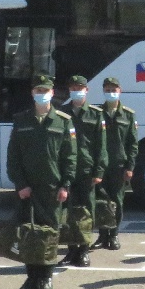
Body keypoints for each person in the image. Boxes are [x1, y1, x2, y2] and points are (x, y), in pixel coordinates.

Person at [7, 74, 77, 289]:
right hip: (27, 189)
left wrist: (65, 185)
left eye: (45, 91)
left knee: (49, 234)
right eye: (38, 90)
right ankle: (31, 277)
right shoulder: (21, 120)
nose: (41, 94)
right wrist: (20, 184)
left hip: (52, 189)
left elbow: (70, 157)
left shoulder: (63, 121)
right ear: (32, 93)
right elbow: (13, 157)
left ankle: (45, 277)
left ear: (52, 93)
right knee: (29, 234)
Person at [59, 75, 107, 267]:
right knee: (68, 211)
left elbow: (101, 146)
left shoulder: (95, 114)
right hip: (66, 170)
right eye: (73, 88)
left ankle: (84, 250)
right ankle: (72, 250)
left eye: (80, 88)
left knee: (86, 211)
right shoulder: (62, 113)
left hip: (87, 170)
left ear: (86, 90)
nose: (76, 91)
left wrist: (99, 171)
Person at [95, 76, 138, 250]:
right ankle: (102, 235)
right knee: (101, 201)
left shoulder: (128, 114)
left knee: (117, 201)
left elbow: (133, 144)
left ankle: (114, 235)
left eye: (114, 90)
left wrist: (130, 167)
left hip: (119, 165)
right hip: (101, 165)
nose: (111, 93)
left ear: (120, 91)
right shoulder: (97, 113)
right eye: (108, 90)